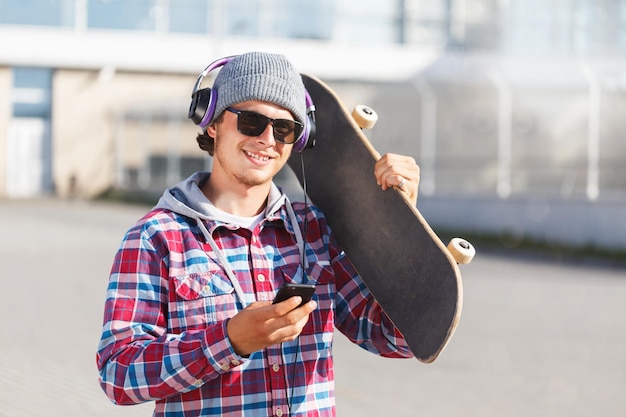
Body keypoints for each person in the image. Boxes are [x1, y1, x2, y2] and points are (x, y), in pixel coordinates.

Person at [96, 51, 421, 417]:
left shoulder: (315, 231)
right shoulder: (156, 237)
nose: (268, 139)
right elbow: (118, 374)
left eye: (284, 129)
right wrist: (230, 339)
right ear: (212, 122)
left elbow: (392, 339)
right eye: (251, 122)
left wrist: (399, 230)